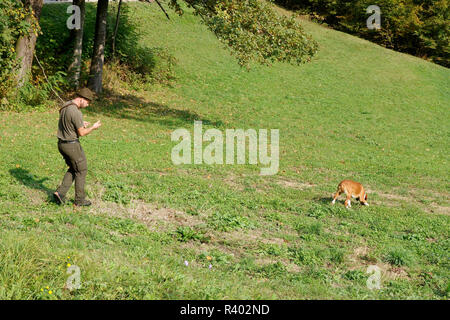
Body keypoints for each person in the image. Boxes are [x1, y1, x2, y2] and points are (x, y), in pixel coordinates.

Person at [53, 88, 101, 207]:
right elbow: (82, 133)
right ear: (81, 99)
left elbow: (67, 121)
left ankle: (60, 193)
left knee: (74, 168)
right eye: (87, 102)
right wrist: (93, 127)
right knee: (82, 170)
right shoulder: (76, 112)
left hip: (61, 144)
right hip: (71, 146)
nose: (88, 105)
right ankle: (79, 200)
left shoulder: (66, 105)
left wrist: (80, 123)